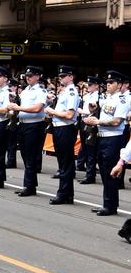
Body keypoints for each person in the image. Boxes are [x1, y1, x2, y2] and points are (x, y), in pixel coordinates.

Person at [84, 70, 127, 216]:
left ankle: (110, 205)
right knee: (103, 170)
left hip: (113, 138)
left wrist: (98, 121)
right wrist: (93, 112)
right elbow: (99, 112)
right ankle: (107, 202)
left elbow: (116, 121)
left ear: (119, 85)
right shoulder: (107, 98)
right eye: (107, 83)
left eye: (111, 82)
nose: (108, 85)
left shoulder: (122, 100)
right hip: (103, 137)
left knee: (110, 172)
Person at [46, 64, 80, 205]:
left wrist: (52, 112)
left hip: (66, 128)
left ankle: (64, 194)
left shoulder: (72, 91)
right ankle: (67, 194)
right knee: (63, 163)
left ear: (70, 77)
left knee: (65, 163)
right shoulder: (64, 91)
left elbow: (69, 114)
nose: (61, 78)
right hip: (60, 128)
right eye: (60, 76)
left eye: (63, 76)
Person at [10, 65, 47, 197]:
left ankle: (29, 186)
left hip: (34, 125)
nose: (28, 78)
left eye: (30, 76)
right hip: (23, 124)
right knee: (25, 155)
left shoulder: (40, 91)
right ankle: (31, 184)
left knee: (31, 156)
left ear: (37, 76)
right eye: (26, 76)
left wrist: (19, 108)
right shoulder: (25, 91)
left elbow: (37, 108)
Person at [77, 75, 101, 185]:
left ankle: (90, 175)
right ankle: (88, 172)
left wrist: (82, 111)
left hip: (90, 123)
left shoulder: (98, 97)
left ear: (96, 86)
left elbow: (92, 112)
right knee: (85, 148)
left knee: (91, 150)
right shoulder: (88, 95)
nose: (88, 87)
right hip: (83, 122)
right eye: (88, 85)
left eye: (90, 85)